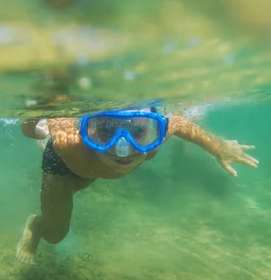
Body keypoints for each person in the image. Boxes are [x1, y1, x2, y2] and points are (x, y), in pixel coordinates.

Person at [15, 106, 258, 264]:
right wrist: (36, 127)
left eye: (139, 131)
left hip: (93, 166)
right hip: (63, 166)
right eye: (107, 130)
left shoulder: (154, 141)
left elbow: (181, 123)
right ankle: (36, 226)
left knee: (87, 178)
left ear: (155, 130)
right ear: (88, 131)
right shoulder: (68, 142)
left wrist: (218, 147)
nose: (124, 148)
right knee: (56, 234)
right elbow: (33, 122)